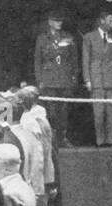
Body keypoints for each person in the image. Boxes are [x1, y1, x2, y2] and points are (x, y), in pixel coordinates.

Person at [33, 12, 79, 147]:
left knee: (63, 111)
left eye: (60, 21)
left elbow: (73, 59)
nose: (59, 23)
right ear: (50, 22)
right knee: (50, 111)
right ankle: (52, 138)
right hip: (48, 79)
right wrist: (39, 79)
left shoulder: (68, 37)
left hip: (64, 79)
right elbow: (38, 60)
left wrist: (73, 76)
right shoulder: (42, 38)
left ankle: (62, 137)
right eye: (56, 20)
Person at [82, 11, 112, 146]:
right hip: (96, 80)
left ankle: (110, 139)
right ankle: (100, 140)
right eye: (110, 20)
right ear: (102, 21)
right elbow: (86, 59)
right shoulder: (89, 37)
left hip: (111, 79)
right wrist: (87, 79)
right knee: (98, 112)